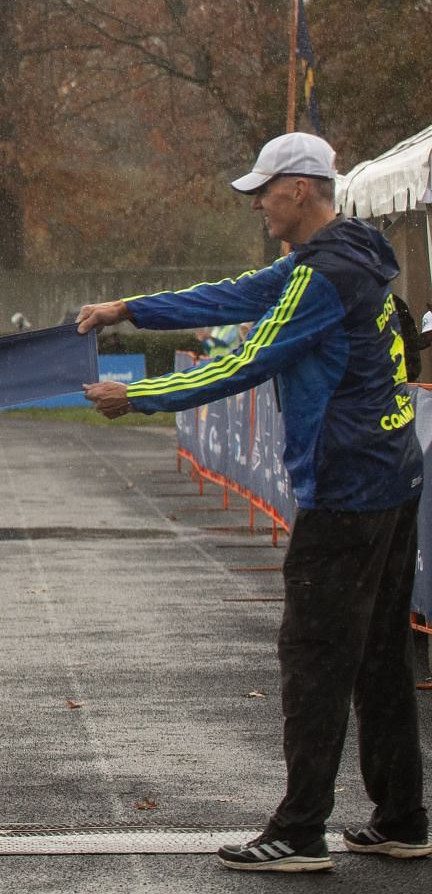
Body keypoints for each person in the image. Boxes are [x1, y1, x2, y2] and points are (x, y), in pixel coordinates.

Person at [75, 133, 426, 874]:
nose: (258, 204)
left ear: (300, 189)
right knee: (382, 657)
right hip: (393, 477)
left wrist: (136, 395)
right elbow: (233, 295)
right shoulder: (346, 254)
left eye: (264, 191)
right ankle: (401, 816)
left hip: (345, 491)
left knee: (314, 657)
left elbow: (242, 357)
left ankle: (300, 832)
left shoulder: (320, 279)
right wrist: (127, 308)